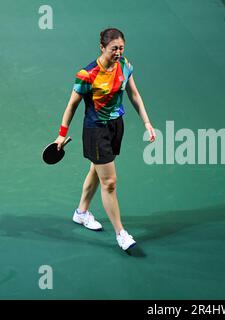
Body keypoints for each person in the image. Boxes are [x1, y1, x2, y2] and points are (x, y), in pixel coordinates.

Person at [54, 28, 156, 252]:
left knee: (96, 169)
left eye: (121, 48)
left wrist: (147, 123)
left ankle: (81, 213)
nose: (118, 52)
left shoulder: (125, 65)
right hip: (95, 130)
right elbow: (72, 105)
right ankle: (121, 234)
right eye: (113, 49)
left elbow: (134, 94)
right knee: (109, 182)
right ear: (102, 47)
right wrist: (62, 133)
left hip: (115, 126)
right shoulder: (87, 74)